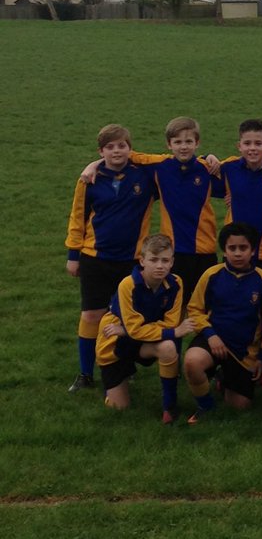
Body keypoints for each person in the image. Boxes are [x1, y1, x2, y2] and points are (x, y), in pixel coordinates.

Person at [80, 116, 220, 302]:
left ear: (197, 143)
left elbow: (239, 173)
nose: (184, 146)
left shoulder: (208, 169)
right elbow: (126, 153)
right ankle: (169, 332)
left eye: (188, 141)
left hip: (205, 251)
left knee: (205, 305)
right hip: (174, 251)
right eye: (178, 142)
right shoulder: (160, 166)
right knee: (174, 304)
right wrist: (94, 164)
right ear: (169, 144)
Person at [66, 123, 157, 391]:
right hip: (94, 257)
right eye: (110, 147)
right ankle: (85, 374)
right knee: (93, 315)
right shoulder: (89, 180)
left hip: (131, 259)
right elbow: (77, 217)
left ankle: (123, 368)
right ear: (101, 150)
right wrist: (73, 255)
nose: (116, 151)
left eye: (122, 146)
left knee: (126, 316)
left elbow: (169, 161)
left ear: (131, 148)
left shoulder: (146, 177)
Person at [95, 233, 195, 423]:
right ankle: (115, 383)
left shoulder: (176, 283)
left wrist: (130, 329)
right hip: (114, 342)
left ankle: (169, 407)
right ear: (142, 260)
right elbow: (169, 328)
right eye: (154, 260)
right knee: (119, 407)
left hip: (137, 338)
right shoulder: (128, 285)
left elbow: (169, 322)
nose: (160, 265)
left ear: (172, 262)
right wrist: (172, 332)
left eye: (165, 260)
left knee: (168, 348)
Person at [182, 222, 262, 424]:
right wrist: (210, 335)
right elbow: (195, 310)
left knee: (240, 407)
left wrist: (261, 357)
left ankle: (223, 378)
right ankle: (205, 405)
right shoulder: (211, 275)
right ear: (224, 250)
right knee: (191, 362)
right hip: (213, 342)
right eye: (232, 248)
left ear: (253, 250)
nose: (238, 253)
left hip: (244, 353)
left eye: (243, 248)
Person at [212, 118, 262, 280]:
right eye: (247, 144)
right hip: (235, 251)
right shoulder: (228, 168)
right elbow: (197, 172)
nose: (252, 148)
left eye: (258, 143)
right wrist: (208, 156)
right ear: (239, 146)